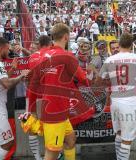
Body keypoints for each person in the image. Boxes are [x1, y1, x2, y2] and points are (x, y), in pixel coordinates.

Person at [28, 23, 89, 160]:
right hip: (56, 111)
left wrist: (32, 109)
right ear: (66, 37)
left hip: (51, 110)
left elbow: (33, 85)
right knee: (52, 152)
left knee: (70, 140)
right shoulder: (67, 56)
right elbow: (83, 79)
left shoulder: (41, 56)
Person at [95, 32, 136, 160]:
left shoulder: (109, 60)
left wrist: (110, 80)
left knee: (119, 133)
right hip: (129, 101)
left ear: (119, 44)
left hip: (115, 100)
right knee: (127, 139)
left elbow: (98, 80)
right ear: (132, 45)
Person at [27, 35, 52, 160]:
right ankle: (51, 155)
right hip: (47, 95)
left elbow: (29, 77)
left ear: (39, 44)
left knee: (32, 124)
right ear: (50, 43)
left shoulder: (32, 57)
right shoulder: (52, 55)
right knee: (51, 125)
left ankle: (37, 157)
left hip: (32, 95)